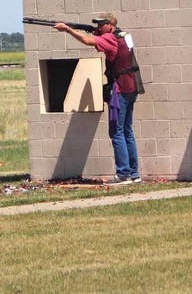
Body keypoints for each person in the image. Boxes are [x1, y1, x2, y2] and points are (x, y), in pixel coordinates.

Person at [54, 13, 143, 185]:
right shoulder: (123, 36)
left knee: (116, 132)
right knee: (126, 131)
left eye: (101, 24)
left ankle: (123, 174)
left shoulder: (109, 38)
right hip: (131, 87)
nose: (99, 27)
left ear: (110, 25)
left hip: (119, 90)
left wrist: (67, 30)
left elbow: (87, 41)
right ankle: (134, 174)